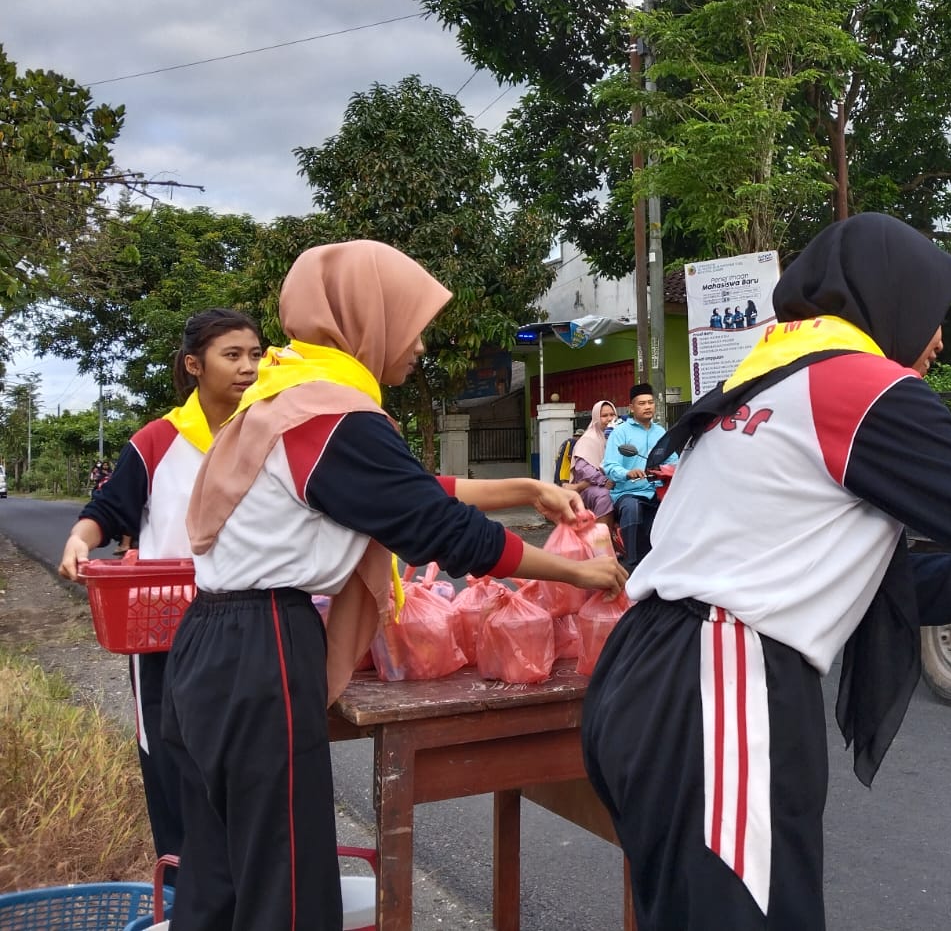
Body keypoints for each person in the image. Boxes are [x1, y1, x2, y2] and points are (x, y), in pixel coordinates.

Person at [581, 212, 951, 931]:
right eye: (933, 313)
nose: (939, 340)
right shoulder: (856, 386)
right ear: (892, 302)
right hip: (720, 683)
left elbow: (875, 587)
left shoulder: (768, 383)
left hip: (656, 675)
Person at [163, 241, 627, 931]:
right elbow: (436, 527)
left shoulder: (289, 395)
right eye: (411, 326)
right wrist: (577, 571)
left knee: (220, 876)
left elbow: (398, 489)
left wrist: (524, 489)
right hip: (258, 651)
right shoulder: (330, 414)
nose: (418, 346)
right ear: (365, 320)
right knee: (283, 886)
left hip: (211, 644)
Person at [58, 309, 264, 866]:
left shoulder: (270, 432)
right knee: (173, 764)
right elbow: (108, 509)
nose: (247, 367)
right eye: (232, 355)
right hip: (164, 630)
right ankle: (180, 888)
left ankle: (246, 889)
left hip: (250, 624)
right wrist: (79, 539)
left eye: (255, 354)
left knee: (246, 768)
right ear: (194, 365)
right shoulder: (157, 441)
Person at [603, 383, 676, 565]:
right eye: (642, 403)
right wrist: (628, 473)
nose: (647, 407)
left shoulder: (661, 432)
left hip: (657, 490)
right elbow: (610, 465)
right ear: (632, 407)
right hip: (628, 492)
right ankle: (634, 563)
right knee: (632, 509)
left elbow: (673, 460)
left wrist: (670, 469)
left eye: (650, 402)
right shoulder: (620, 433)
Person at [567, 399, 618, 534]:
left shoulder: (618, 436)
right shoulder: (589, 439)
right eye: (604, 416)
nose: (609, 419)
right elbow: (583, 468)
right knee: (605, 496)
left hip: (616, 482)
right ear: (596, 418)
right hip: (590, 486)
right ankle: (601, 539)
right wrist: (603, 480)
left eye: (612, 415)